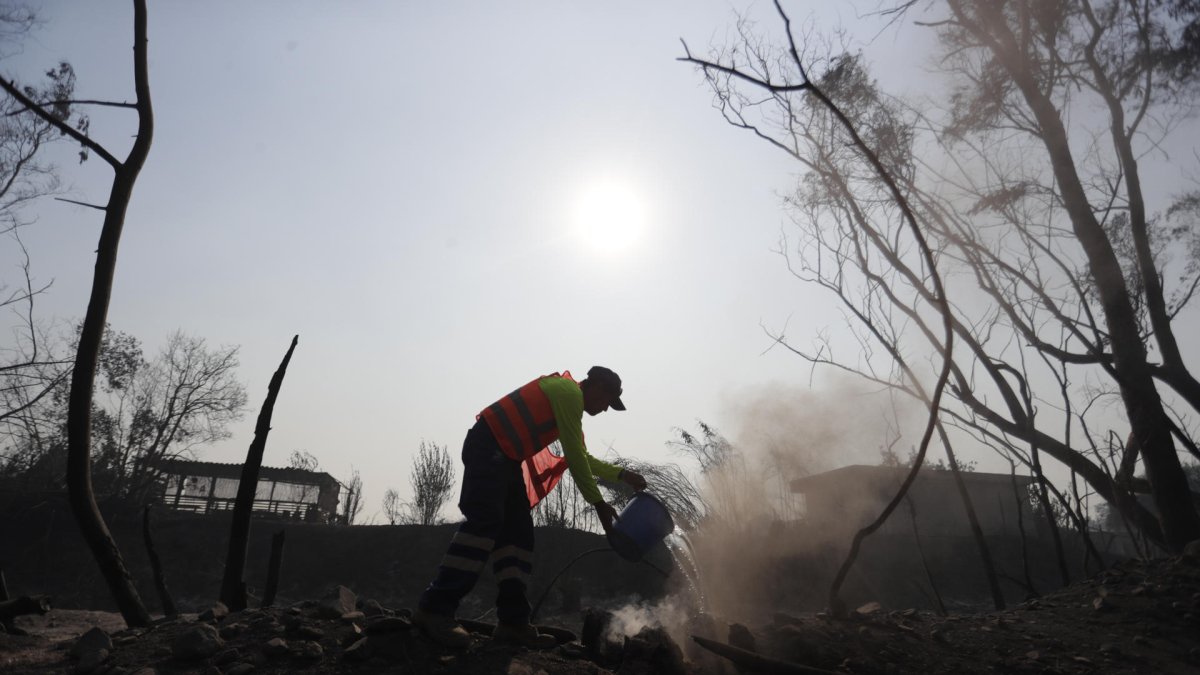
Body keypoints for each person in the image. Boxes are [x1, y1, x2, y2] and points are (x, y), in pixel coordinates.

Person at [412, 366, 647, 649]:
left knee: (518, 536)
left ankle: (513, 623)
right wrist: (598, 504)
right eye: (608, 401)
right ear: (595, 387)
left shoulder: (568, 403)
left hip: (504, 457)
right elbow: (575, 456)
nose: (606, 409)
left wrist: (622, 475)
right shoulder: (569, 394)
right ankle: (435, 609)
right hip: (488, 447)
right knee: (485, 524)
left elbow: (582, 457)